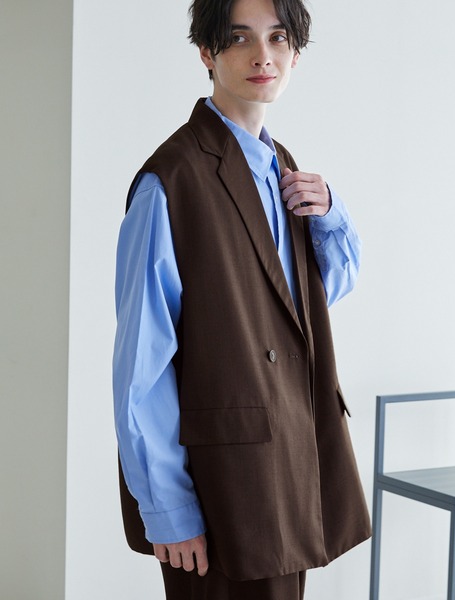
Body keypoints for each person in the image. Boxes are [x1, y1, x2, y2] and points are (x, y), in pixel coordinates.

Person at [113, 0, 371, 598]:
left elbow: (304, 306)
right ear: (207, 52)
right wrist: (169, 507)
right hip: (220, 483)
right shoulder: (171, 180)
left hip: (290, 460)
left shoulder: (283, 168)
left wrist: (332, 215)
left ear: (295, 54)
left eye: (278, 38)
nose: (263, 56)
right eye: (239, 38)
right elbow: (141, 366)